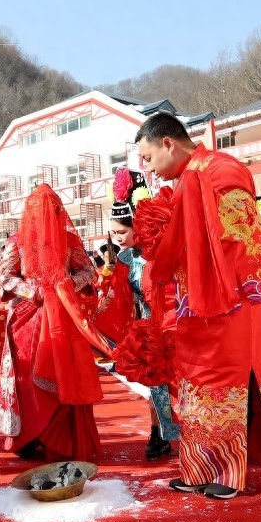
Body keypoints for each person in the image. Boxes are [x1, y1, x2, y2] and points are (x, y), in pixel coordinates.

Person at [132, 112, 261, 499]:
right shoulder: (187, 178)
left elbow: (241, 235)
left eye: (149, 157)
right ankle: (197, 467)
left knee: (224, 383)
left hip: (229, 299)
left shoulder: (222, 170)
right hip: (193, 302)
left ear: (168, 143)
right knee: (195, 387)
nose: (149, 168)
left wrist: (177, 238)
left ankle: (228, 470)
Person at [0, 185, 103, 461]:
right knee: (27, 375)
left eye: (50, 211)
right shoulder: (18, 241)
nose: (45, 217)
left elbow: (88, 272)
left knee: (64, 372)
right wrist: (32, 291)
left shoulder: (70, 240)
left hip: (61, 314)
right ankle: (30, 436)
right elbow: (2, 275)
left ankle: (59, 438)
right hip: (28, 316)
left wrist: (67, 285)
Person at [103, 181, 181, 461]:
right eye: (113, 233)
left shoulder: (164, 252)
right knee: (156, 384)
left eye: (122, 232)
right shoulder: (125, 258)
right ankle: (158, 433)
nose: (117, 238)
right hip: (150, 325)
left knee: (179, 383)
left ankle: (190, 434)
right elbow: (118, 299)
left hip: (176, 323)